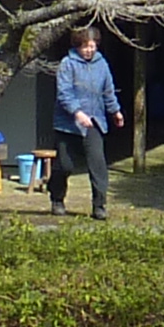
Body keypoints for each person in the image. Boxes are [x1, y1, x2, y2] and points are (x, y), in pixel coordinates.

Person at [47, 25, 124, 219]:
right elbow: (64, 93)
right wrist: (77, 113)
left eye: (93, 46)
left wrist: (115, 111)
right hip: (67, 124)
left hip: (94, 121)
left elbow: (108, 90)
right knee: (65, 165)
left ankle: (99, 206)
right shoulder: (67, 64)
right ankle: (57, 198)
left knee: (97, 164)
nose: (89, 50)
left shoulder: (102, 64)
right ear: (77, 45)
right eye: (85, 46)